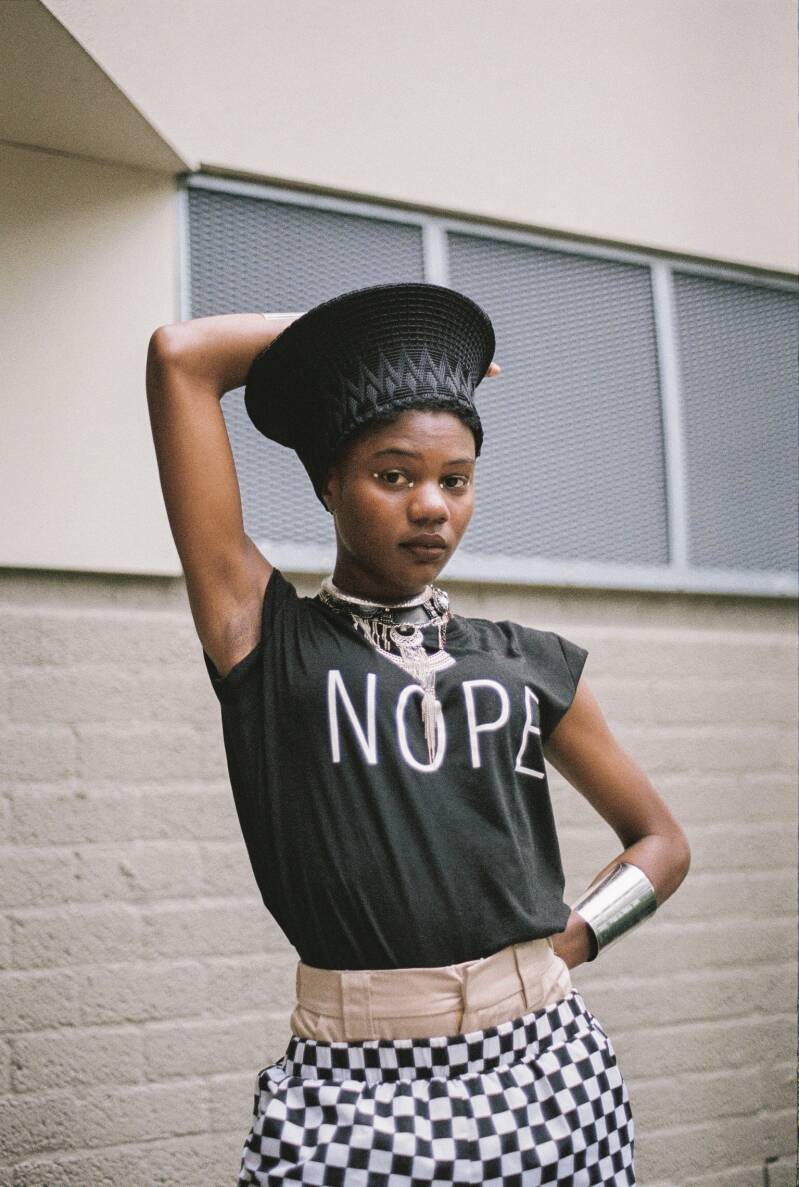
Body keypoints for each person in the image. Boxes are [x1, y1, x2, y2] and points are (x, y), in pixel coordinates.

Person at [146, 282, 690, 1187]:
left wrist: (577, 936)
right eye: (393, 475)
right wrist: (367, 341)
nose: (431, 505)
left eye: (455, 479)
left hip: (550, 1069)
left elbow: (662, 842)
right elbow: (181, 357)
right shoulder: (266, 638)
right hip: (355, 1085)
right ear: (330, 483)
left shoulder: (528, 661)